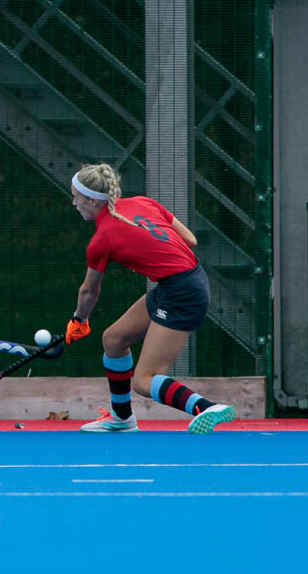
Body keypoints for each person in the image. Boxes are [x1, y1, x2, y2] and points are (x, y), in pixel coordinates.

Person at [64, 162, 235, 434]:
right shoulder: (143, 202)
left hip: (182, 292)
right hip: (180, 282)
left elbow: (89, 290)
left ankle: (205, 407)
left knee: (144, 380)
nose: (74, 203)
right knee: (113, 340)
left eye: (76, 197)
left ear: (93, 200)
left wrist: (79, 320)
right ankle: (122, 419)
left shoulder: (102, 238)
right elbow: (190, 240)